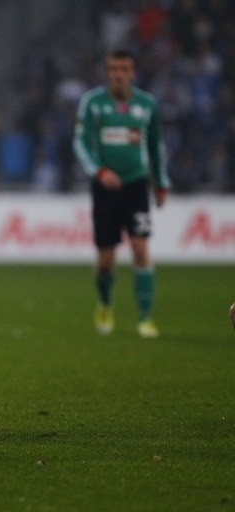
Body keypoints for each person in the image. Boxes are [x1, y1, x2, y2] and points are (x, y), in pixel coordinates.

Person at [73, 49, 170, 338]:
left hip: (137, 185)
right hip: (104, 188)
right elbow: (79, 143)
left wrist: (161, 182)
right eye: (114, 69)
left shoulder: (147, 104)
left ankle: (144, 317)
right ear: (107, 72)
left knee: (141, 250)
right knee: (105, 261)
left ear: (132, 72)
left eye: (124, 69)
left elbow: (156, 146)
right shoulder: (92, 102)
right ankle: (104, 303)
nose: (118, 74)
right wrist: (99, 172)